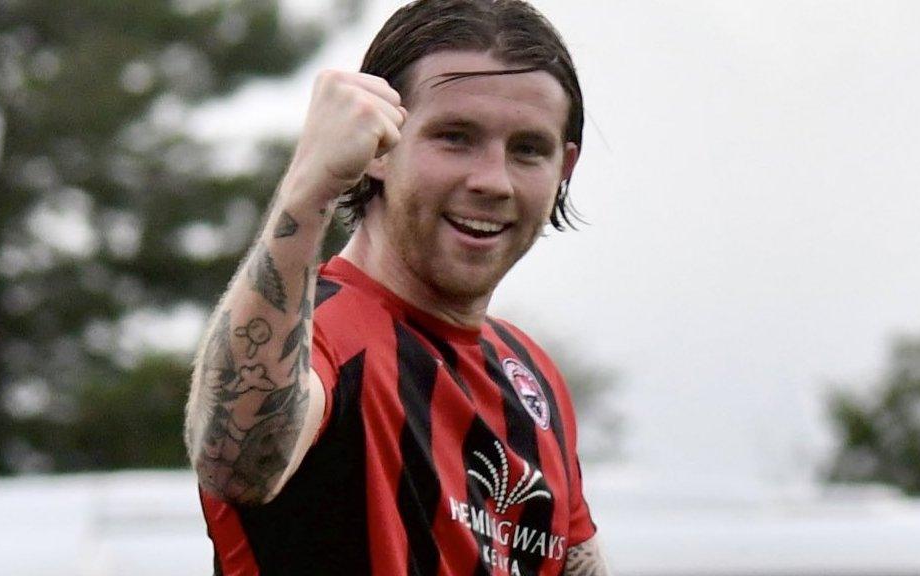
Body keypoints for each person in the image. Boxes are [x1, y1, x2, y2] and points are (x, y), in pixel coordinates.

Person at [184, 0, 609, 574]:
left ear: (565, 168)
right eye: (455, 137)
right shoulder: (323, 336)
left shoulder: (532, 375)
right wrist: (309, 190)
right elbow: (236, 466)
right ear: (379, 149)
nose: (492, 181)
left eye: (528, 149)